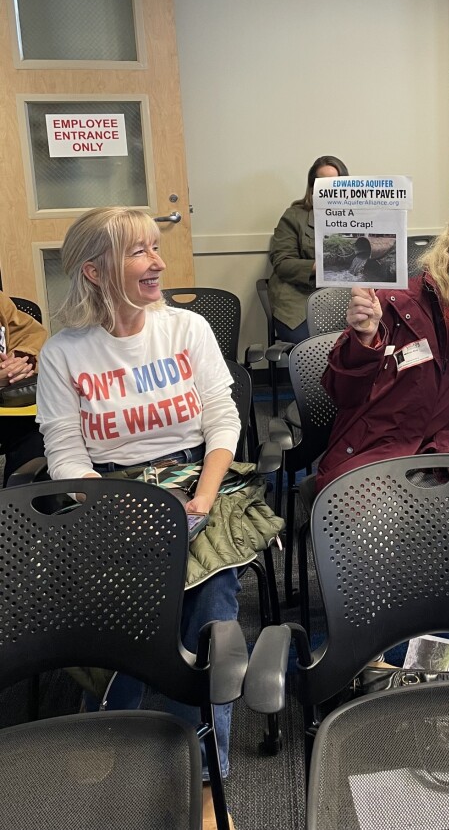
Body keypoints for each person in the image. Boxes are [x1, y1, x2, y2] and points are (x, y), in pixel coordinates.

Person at [35, 207, 283, 805]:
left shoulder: (187, 330)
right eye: (140, 251)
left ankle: (202, 770)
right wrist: (121, 510)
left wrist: (200, 496)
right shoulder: (63, 353)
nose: (159, 262)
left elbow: (224, 422)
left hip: (197, 479)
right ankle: (113, 724)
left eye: (156, 247)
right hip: (107, 493)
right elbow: (66, 456)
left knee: (212, 607)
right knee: (109, 606)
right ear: (95, 271)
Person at [317, 200, 449, 489]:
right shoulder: (394, 300)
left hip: (434, 462)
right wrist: (365, 339)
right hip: (369, 457)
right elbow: (342, 394)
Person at [268, 154, 349, 344]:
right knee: (310, 343)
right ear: (312, 187)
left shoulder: (360, 217)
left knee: (369, 336)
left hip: (343, 298)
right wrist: (321, 265)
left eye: (335, 184)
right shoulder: (294, 216)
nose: (329, 189)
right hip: (300, 299)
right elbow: (282, 263)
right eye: (323, 183)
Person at [0, 291, 46, 484]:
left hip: (7, 407)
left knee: (40, 431)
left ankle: (21, 508)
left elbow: (28, 332)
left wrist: (19, 361)